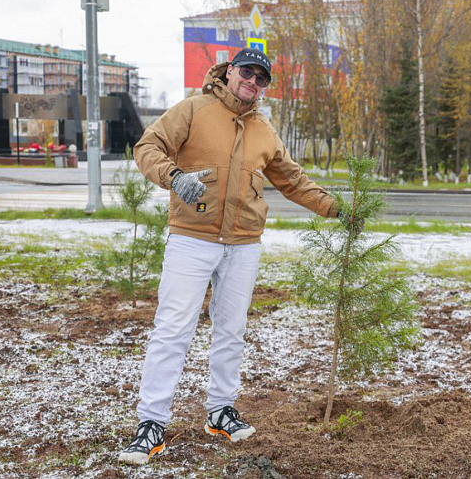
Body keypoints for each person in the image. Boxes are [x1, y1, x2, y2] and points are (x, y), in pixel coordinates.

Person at [118, 48, 340, 465]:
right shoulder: (194, 110)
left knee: (231, 330)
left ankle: (221, 411)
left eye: (261, 78)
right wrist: (174, 178)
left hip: (243, 244)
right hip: (192, 239)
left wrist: (337, 209)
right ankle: (151, 424)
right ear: (229, 72)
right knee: (172, 330)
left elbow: (293, 181)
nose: (252, 82)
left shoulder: (264, 131)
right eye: (247, 72)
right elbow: (148, 146)